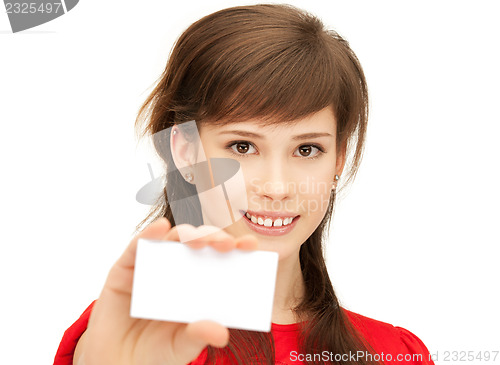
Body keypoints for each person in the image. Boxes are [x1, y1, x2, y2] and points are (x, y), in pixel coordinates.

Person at [54, 4, 435, 365]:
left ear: (338, 158)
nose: (277, 186)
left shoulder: (393, 352)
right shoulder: (128, 334)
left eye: (306, 149)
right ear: (185, 150)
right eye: (243, 146)